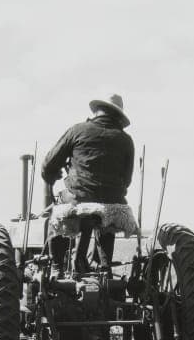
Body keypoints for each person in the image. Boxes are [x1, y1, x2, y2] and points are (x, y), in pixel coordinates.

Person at [41, 94, 137, 272]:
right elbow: (127, 180)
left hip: (78, 198)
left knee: (59, 208)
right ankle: (104, 267)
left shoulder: (77, 130)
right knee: (108, 209)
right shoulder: (126, 140)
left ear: (97, 111)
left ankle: (56, 267)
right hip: (113, 202)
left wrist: (52, 175)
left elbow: (48, 165)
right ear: (118, 116)